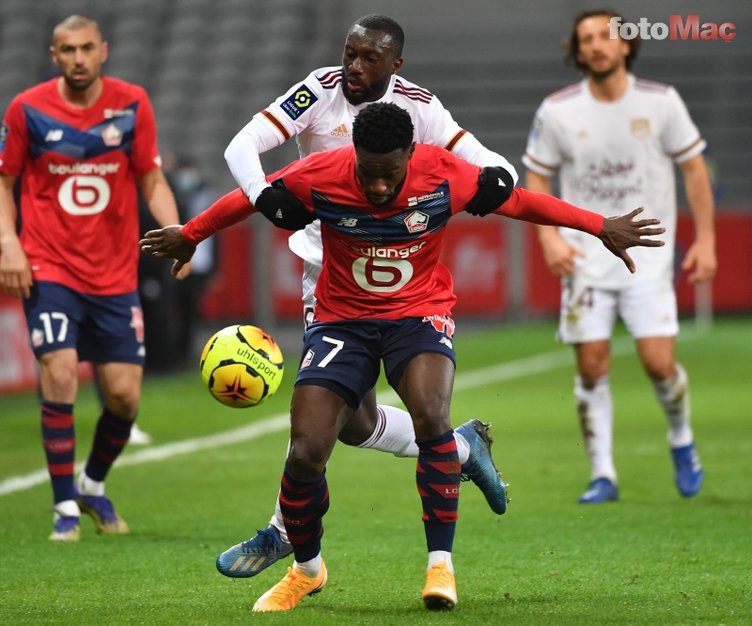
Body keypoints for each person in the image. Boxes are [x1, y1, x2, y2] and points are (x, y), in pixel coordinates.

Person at [142, 102, 664, 611]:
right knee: (307, 448)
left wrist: (600, 226)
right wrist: (191, 235)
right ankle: (306, 569)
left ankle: (440, 565)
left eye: (389, 173)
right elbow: (251, 200)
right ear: (354, 157)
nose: (377, 186)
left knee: (431, 414)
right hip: (340, 321)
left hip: (418, 315)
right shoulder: (321, 172)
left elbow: (522, 202)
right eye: (367, 173)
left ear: (411, 153)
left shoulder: (447, 175)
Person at [214, 12, 519, 579]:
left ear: (394, 64)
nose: (353, 66)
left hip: (392, 276)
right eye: (349, 53)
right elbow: (242, 146)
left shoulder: (419, 108)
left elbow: (488, 162)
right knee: (350, 425)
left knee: (314, 426)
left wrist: (502, 179)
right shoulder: (318, 89)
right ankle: (458, 448)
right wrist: (259, 198)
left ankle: (282, 534)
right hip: (325, 280)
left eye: (367, 58)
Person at [0, 15, 184, 540]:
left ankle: (93, 485)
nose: (78, 58)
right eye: (66, 49)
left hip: (114, 273)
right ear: (53, 55)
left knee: (124, 397)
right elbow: (4, 182)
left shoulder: (132, 104)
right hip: (49, 266)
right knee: (58, 372)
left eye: (86, 48)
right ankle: (63, 508)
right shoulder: (27, 109)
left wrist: (179, 233)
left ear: (102, 51)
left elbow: (150, 178)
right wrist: (9, 245)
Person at [522, 9, 717, 504]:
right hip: (586, 258)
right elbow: (537, 178)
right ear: (577, 50)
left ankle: (681, 439)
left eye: (606, 35)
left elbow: (694, 170)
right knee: (591, 367)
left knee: (658, 364)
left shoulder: (661, 102)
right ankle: (603, 474)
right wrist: (550, 239)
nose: (596, 45)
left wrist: (707, 239)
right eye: (585, 38)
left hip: (648, 255)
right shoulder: (557, 111)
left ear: (627, 44)